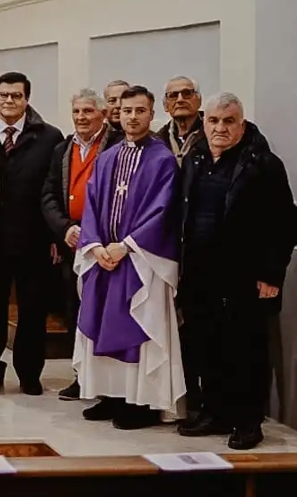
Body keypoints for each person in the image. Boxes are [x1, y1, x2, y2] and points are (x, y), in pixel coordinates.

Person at [176, 93, 295, 450]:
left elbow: (285, 224)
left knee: (246, 351)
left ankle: (247, 422)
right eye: (213, 121)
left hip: (245, 276)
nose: (220, 128)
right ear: (204, 122)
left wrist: (272, 275)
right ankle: (215, 412)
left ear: (241, 125)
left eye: (229, 121)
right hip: (200, 273)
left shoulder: (263, 163)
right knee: (206, 346)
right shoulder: (195, 159)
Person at [75, 86, 183, 430]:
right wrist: (94, 246)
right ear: (116, 115)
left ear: (152, 115)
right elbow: (91, 205)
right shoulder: (107, 158)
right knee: (103, 324)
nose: (133, 117)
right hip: (105, 257)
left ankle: (142, 402)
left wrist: (128, 245)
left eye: (140, 111)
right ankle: (111, 394)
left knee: (139, 324)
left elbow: (163, 210)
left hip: (140, 260)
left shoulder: (162, 159)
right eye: (126, 111)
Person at [0, 72, 64, 396]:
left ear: (27, 98)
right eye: (3, 95)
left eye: (16, 95)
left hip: (34, 239)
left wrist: (56, 235)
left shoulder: (50, 137)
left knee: (32, 311)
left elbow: (56, 187)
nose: (9, 101)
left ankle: (29, 374)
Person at [40, 88, 121, 400]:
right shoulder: (63, 149)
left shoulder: (115, 145)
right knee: (76, 313)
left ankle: (110, 382)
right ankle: (82, 375)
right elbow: (48, 194)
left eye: (88, 111)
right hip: (72, 246)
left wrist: (92, 232)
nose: (81, 118)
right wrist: (64, 228)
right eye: (77, 112)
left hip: (105, 246)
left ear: (102, 114)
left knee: (105, 314)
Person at [156, 76, 204, 165]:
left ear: (199, 101)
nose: (180, 99)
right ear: (165, 105)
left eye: (187, 93)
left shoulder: (214, 133)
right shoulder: (158, 141)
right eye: (173, 95)